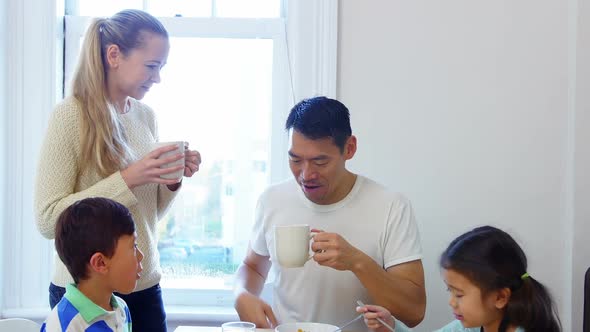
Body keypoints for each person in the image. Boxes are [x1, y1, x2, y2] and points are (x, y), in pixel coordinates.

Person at [34, 9, 201, 332]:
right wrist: (129, 178)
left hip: (144, 285)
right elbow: (47, 219)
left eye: (161, 67)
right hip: (86, 292)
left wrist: (171, 180)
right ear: (114, 55)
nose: (157, 78)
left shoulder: (145, 117)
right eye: (151, 66)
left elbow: (145, 218)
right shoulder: (69, 117)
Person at [233, 96, 426, 330]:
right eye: (295, 160)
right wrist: (241, 294)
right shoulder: (271, 200)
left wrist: (356, 261)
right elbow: (253, 267)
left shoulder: (391, 206)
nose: (306, 174)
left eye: (320, 162)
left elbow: (414, 312)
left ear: (350, 148)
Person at [357, 226, 562, 332]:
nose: (452, 302)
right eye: (451, 291)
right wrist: (390, 325)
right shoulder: (470, 326)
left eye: (460, 294)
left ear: (500, 297)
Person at [41, 197, 142, 331]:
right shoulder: (62, 324)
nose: (141, 255)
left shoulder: (121, 309)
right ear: (100, 263)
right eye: (133, 246)